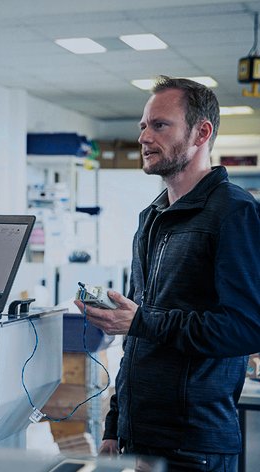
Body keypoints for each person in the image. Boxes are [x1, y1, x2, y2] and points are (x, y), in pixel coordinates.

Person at [75, 76, 260, 471]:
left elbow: (246, 327)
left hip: (195, 447)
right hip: (138, 440)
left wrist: (143, 320)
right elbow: (136, 336)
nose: (144, 136)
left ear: (201, 133)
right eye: (143, 125)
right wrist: (114, 425)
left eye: (160, 125)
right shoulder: (152, 218)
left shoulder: (234, 212)